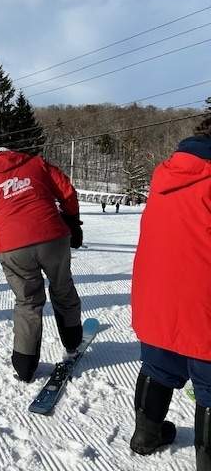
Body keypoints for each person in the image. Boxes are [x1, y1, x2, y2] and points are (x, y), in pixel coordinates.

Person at [0, 145, 84, 382]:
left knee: (27, 302)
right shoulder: (36, 164)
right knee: (62, 287)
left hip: (13, 247)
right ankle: (72, 340)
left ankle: (25, 364)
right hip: (52, 238)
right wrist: (73, 221)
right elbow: (67, 191)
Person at [129, 135, 211, 470]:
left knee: (158, 365)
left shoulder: (163, 181)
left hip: (157, 298)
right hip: (202, 301)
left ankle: (146, 436)